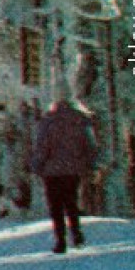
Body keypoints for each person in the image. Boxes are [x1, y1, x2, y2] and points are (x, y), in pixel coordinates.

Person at [29, 99, 98, 254]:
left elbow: (42, 147)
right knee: (71, 202)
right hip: (73, 170)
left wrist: (36, 166)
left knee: (56, 207)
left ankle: (61, 240)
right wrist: (90, 165)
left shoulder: (48, 121)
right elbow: (90, 145)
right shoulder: (81, 120)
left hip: (52, 172)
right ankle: (77, 234)